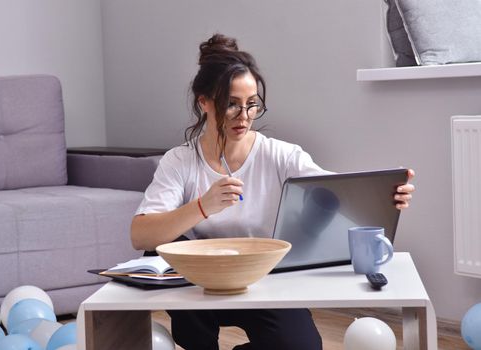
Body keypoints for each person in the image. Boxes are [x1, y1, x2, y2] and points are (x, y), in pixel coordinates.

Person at [131, 33, 415, 350]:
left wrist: (384, 194)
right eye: (232, 105)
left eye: (252, 105)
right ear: (204, 102)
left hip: (263, 280)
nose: (244, 116)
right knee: (162, 246)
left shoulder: (280, 155)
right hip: (200, 287)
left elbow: (335, 189)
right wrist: (202, 206)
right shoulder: (180, 161)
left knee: (303, 346)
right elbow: (141, 235)